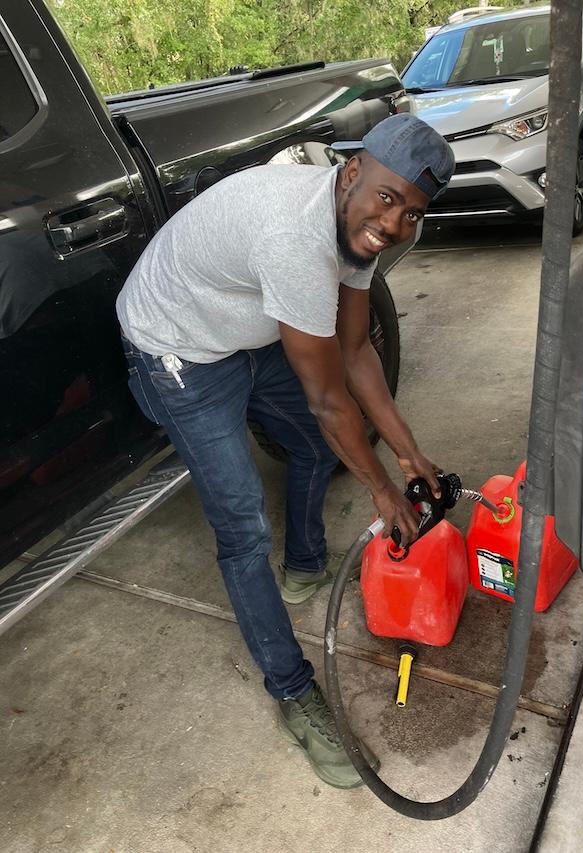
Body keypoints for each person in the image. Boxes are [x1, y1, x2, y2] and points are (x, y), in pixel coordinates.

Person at [116, 113, 455, 789]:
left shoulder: (356, 232)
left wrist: (410, 453)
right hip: (175, 345)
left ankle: (304, 565)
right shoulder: (297, 238)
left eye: (412, 215)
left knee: (309, 445)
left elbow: (357, 352)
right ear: (352, 171)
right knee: (242, 523)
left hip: (236, 331)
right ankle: (294, 693)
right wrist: (383, 488)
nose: (392, 225)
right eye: (388, 200)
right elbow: (333, 399)